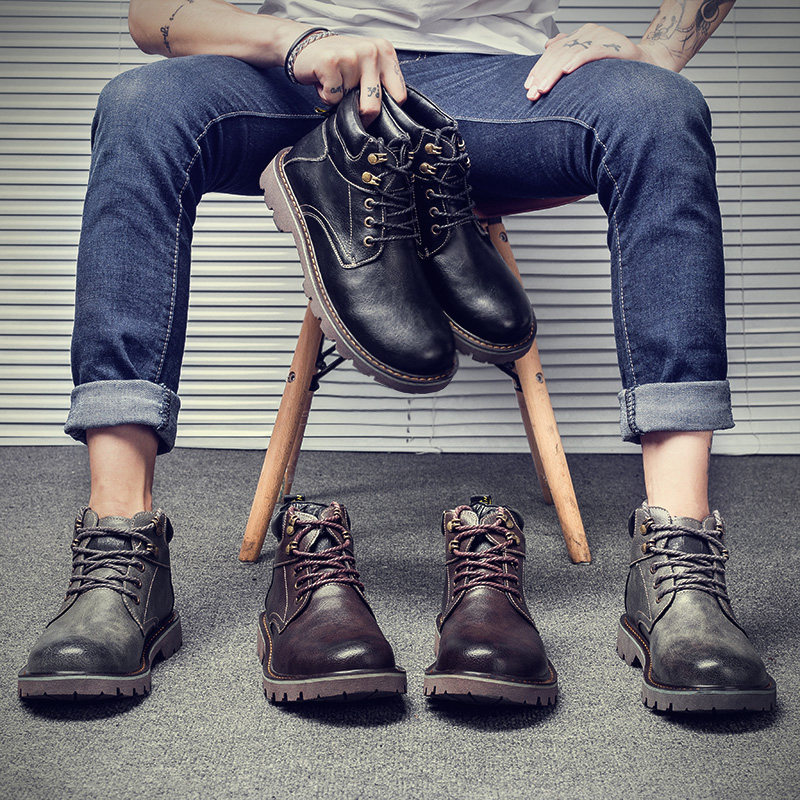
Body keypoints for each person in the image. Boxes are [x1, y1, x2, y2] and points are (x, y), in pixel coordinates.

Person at [17, 0, 777, 712]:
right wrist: (298, 42)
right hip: (298, 80)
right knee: (140, 105)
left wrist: (661, 49)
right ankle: (120, 553)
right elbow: (153, 16)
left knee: (660, 108)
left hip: (499, 83)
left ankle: (678, 562)